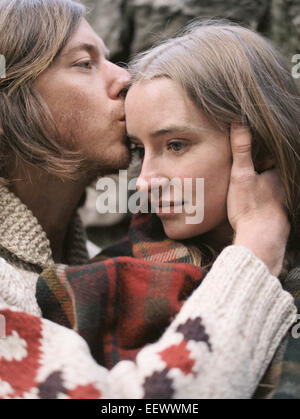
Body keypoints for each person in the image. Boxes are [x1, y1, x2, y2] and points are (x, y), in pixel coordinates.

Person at [0, 0, 296, 399]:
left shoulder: (96, 266)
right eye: (84, 63)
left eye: (174, 145)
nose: (123, 77)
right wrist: (256, 251)